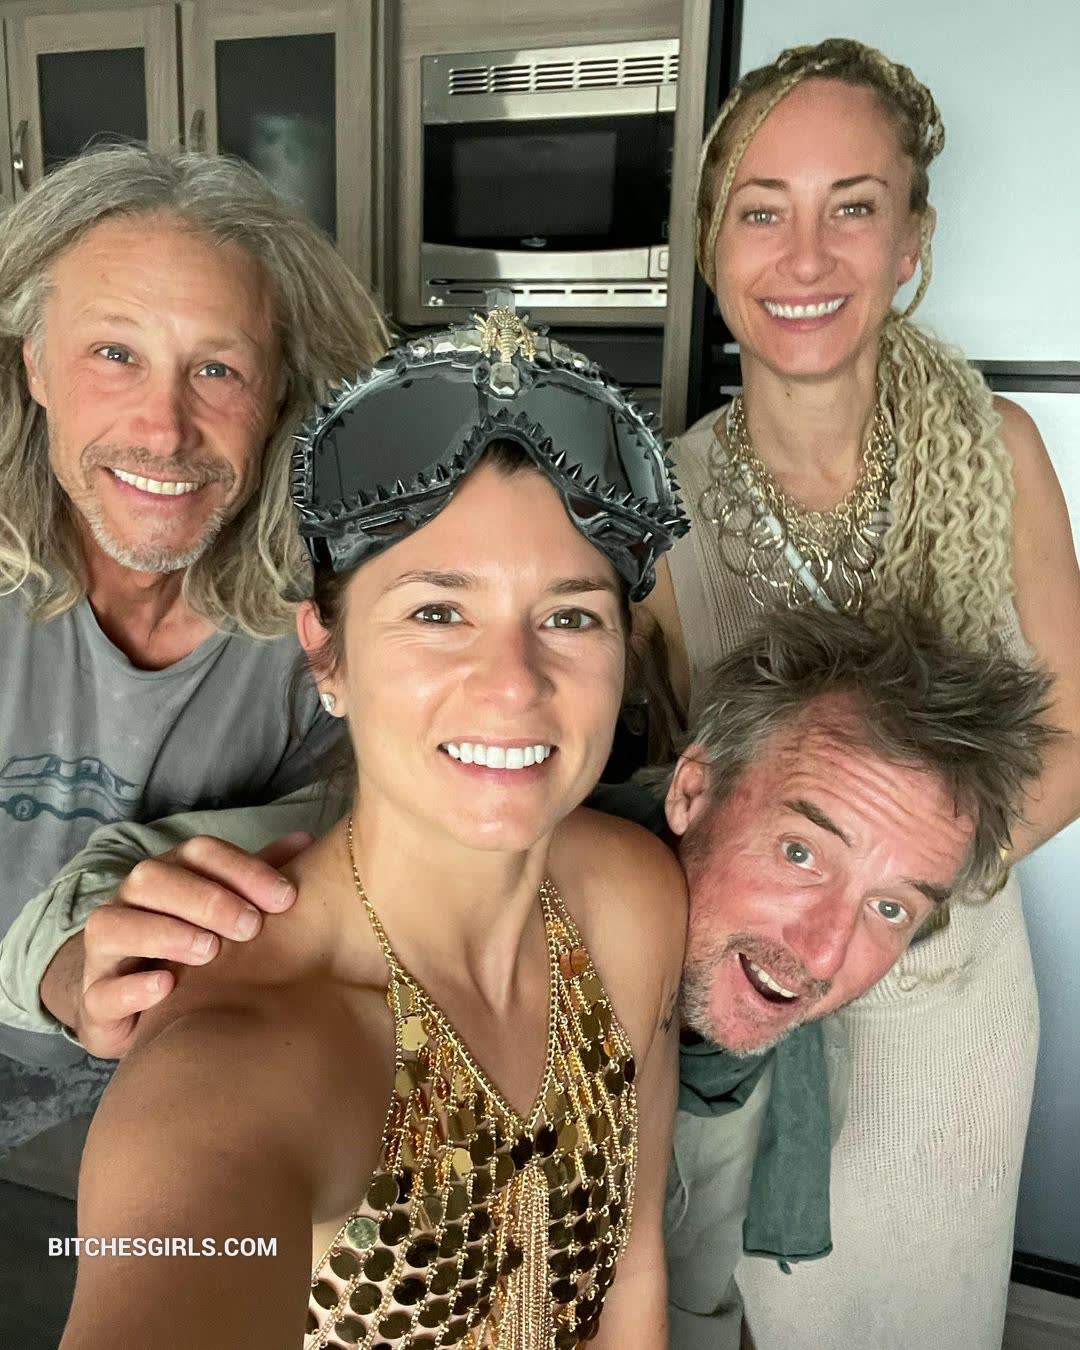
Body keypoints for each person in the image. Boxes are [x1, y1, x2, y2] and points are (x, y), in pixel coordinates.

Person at [12, 607, 1053, 1350]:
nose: (823, 951)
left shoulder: (743, 997)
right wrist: (76, 971)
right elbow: (152, 885)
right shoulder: (494, 845)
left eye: (890, 907)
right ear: (692, 790)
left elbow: (652, 1273)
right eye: (799, 853)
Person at [57, 310, 688, 1348]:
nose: (514, 684)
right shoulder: (239, 1062)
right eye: (438, 612)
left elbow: (634, 1273)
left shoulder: (634, 901)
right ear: (327, 654)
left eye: (570, 616)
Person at [641, 36, 1080, 1349]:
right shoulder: (661, 509)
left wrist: (888, 902)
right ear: (712, 246)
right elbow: (681, 795)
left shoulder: (1000, 450)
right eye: (762, 211)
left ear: (911, 244)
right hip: (756, 1011)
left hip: (951, 1008)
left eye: (853, 208)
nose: (805, 257)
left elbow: (1077, 735)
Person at [0, 142, 385, 1344]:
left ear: (278, 396)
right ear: (33, 363)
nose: (164, 430)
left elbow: (354, 900)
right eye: (114, 353)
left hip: (184, 1149)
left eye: (217, 368)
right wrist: (58, 965)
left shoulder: (337, 627)